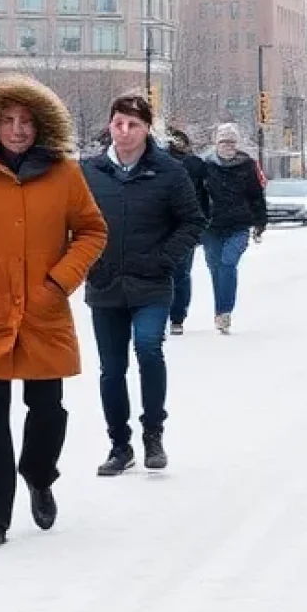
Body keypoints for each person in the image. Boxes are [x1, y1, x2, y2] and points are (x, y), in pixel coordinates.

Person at [0, 75, 108, 551]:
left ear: (41, 125)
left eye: (26, 121)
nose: (17, 130)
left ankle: (39, 474)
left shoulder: (65, 173)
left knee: (46, 409)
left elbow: (91, 231)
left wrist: (59, 281)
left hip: (44, 308)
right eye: (7, 121)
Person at [82, 94, 204, 475]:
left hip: (151, 282)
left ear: (147, 128)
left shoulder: (168, 171)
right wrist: (84, 261)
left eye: (133, 124)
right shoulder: (90, 172)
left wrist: (164, 259)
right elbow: (71, 221)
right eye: (118, 123)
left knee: (149, 348)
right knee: (111, 368)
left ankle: (154, 432)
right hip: (105, 283)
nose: (124, 131)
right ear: (109, 125)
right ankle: (120, 444)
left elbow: (192, 221)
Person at [200, 123, 268, 333]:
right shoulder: (205, 165)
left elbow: (256, 196)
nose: (227, 146)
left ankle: (225, 312)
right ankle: (219, 310)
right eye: (223, 141)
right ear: (216, 143)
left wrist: (260, 222)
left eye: (231, 142)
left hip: (239, 224)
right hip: (211, 225)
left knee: (228, 263)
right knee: (215, 268)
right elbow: (194, 194)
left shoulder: (247, 165)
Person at [164, 127, 208, 334]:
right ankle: (175, 317)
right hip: (173, 225)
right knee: (179, 274)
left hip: (180, 225)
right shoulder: (157, 164)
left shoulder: (194, 165)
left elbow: (204, 196)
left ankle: (175, 316)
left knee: (175, 273)